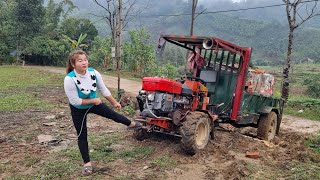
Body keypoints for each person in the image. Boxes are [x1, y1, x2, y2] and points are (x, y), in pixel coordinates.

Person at [64, 49, 142, 175]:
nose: (84, 63)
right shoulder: (69, 79)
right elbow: (76, 101)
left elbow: (103, 89)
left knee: (113, 115)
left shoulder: (93, 73)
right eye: (80, 61)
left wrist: (114, 102)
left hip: (95, 103)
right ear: (73, 64)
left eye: (85, 60)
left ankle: (131, 124)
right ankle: (87, 163)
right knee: (82, 134)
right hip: (78, 109)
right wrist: (94, 100)